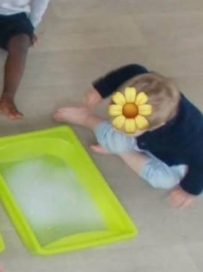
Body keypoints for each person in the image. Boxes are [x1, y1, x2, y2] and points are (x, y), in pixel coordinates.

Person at [53, 64, 203, 209]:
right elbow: (134, 70)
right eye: (116, 118)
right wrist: (100, 90)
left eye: (126, 127)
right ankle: (86, 119)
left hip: (170, 157)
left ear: (156, 126)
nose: (116, 126)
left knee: (165, 180)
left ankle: (120, 150)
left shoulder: (191, 137)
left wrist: (189, 190)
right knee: (113, 139)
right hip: (143, 141)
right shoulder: (143, 83)